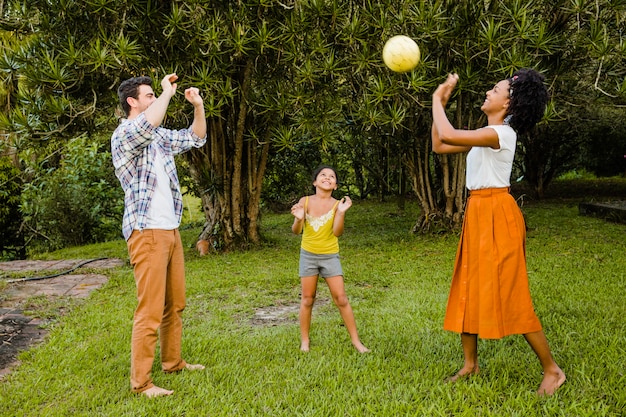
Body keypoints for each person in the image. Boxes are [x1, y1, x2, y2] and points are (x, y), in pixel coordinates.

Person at [431, 69, 566, 396]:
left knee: (511, 294)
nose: (488, 92)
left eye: (495, 89)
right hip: (478, 212)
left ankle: (553, 370)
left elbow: (447, 132)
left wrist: (437, 100)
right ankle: (470, 364)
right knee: (468, 285)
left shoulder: (502, 135)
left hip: (497, 215)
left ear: (510, 103)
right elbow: (439, 143)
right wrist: (439, 107)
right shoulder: (487, 132)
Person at [111, 73, 207, 397]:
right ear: (132, 101)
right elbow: (146, 125)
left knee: (174, 304)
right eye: (149, 95)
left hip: (170, 230)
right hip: (147, 231)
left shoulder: (158, 137)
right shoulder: (125, 134)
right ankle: (141, 383)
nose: (155, 98)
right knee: (149, 310)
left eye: (156, 94)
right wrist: (167, 92)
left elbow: (195, 137)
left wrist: (198, 106)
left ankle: (173, 362)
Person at [290, 165, 369, 353]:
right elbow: (296, 231)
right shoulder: (305, 201)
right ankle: (305, 342)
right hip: (308, 256)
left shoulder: (337, 205)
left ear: (335, 185)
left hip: (330, 256)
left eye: (331, 176)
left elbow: (337, 232)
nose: (327, 178)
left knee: (341, 298)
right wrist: (299, 219)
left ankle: (356, 342)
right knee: (308, 299)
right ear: (315, 182)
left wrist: (341, 213)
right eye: (322, 175)